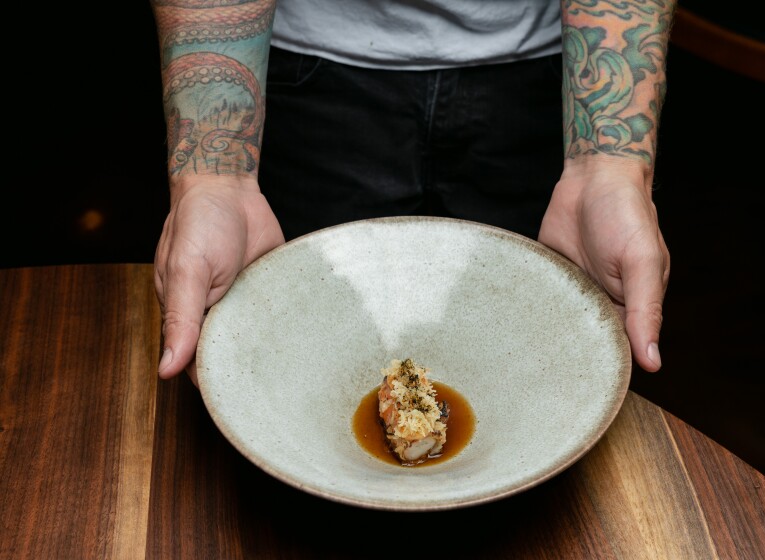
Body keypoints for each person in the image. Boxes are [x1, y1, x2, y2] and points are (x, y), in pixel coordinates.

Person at [152, 0, 674, 385]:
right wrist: (215, 176)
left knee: (549, 373)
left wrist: (607, 166)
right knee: (284, 369)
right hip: (299, 69)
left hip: (555, 72)